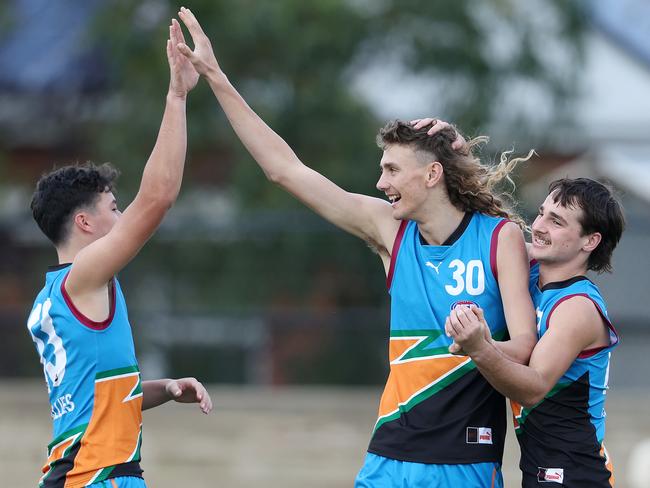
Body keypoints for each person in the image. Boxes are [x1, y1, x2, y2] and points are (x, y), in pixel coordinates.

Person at [174, 7, 537, 487]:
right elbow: (285, 170)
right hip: (388, 457)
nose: (380, 181)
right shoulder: (391, 231)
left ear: (432, 175)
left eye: (391, 170)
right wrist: (217, 77)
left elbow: (527, 348)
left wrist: (477, 347)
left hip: (462, 462)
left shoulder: (498, 237)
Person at [26, 20, 212, 488]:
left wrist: (164, 390)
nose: (124, 213)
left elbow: (97, 395)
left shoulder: (53, 295)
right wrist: (176, 98)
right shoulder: (84, 277)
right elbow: (159, 197)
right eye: (114, 207)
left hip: (78, 473)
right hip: (98, 476)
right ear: (84, 223)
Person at [447, 178, 624, 487]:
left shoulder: (577, 307)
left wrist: (479, 347)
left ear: (590, 241)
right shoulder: (532, 272)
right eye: (541, 213)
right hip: (541, 469)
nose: (538, 226)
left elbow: (533, 388)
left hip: (576, 474)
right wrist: (453, 156)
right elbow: (491, 235)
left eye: (556, 221)